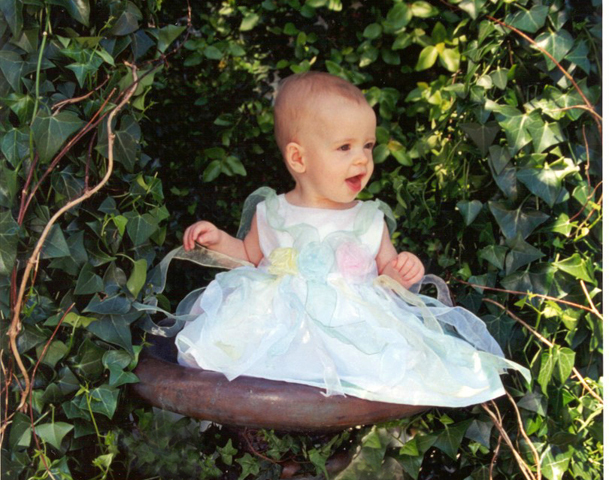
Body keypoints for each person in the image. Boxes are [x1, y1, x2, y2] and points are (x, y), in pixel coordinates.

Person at [175, 72, 528, 405]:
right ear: (298, 158)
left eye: (368, 146)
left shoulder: (368, 219)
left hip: (353, 331)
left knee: (383, 369)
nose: (362, 159)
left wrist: (402, 270)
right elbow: (249, 258)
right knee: (244, 357)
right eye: (345, 147)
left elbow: (389, 276)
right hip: (278, 325)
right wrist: (218, 241)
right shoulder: (272, 212)